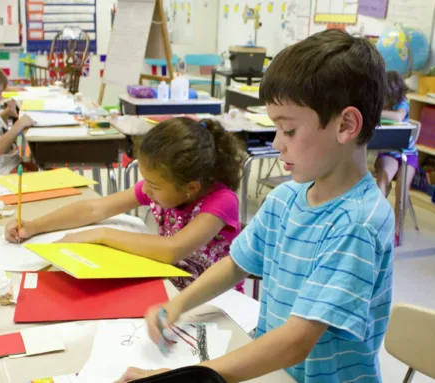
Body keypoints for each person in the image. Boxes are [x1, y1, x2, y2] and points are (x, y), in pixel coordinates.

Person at [116, 29, 394, 383]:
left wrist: (187, 377)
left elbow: (296, 342)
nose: (277, 143)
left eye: (289, 130)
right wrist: (178, 305)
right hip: (276, 373)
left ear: (346, 125)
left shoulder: (358, 224)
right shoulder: (286, 199)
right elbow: (236, 265)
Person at [5, 117, 245, 292]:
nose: (147, 190)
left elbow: (172, 248)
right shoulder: (165, 187)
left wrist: (102, 234)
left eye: (154, 185)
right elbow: (95, 208)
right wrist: (34, 226)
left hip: (216, 302)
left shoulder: (221, 202)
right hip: (172, 287)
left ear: (191, 187)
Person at [375, 71, 415, 246]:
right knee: (383, 177)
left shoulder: (402, 102)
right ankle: (378, 224)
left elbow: (398, 116)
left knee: (402, 187)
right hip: (389, 151)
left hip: (408, 153)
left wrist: (378, 111)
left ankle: (397, 231)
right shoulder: (381, 101)